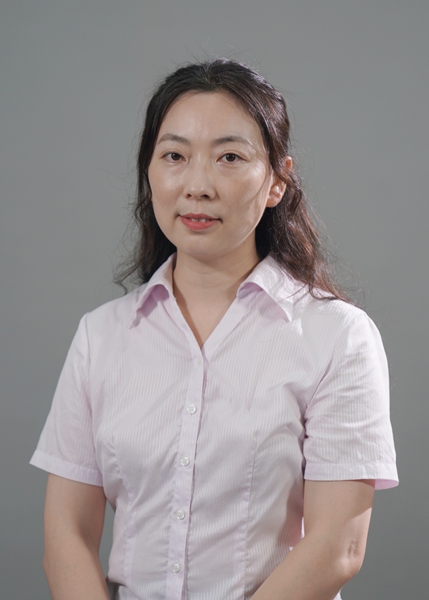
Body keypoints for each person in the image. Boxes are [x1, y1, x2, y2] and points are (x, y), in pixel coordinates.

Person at [31, 58, 398, 600]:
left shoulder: (337, 336)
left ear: (277, 182)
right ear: (149, 172)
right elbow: (67, 536)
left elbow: (337, 546)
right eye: (174, 156)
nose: (197, 185)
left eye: (230, 157)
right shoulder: (100, 336)